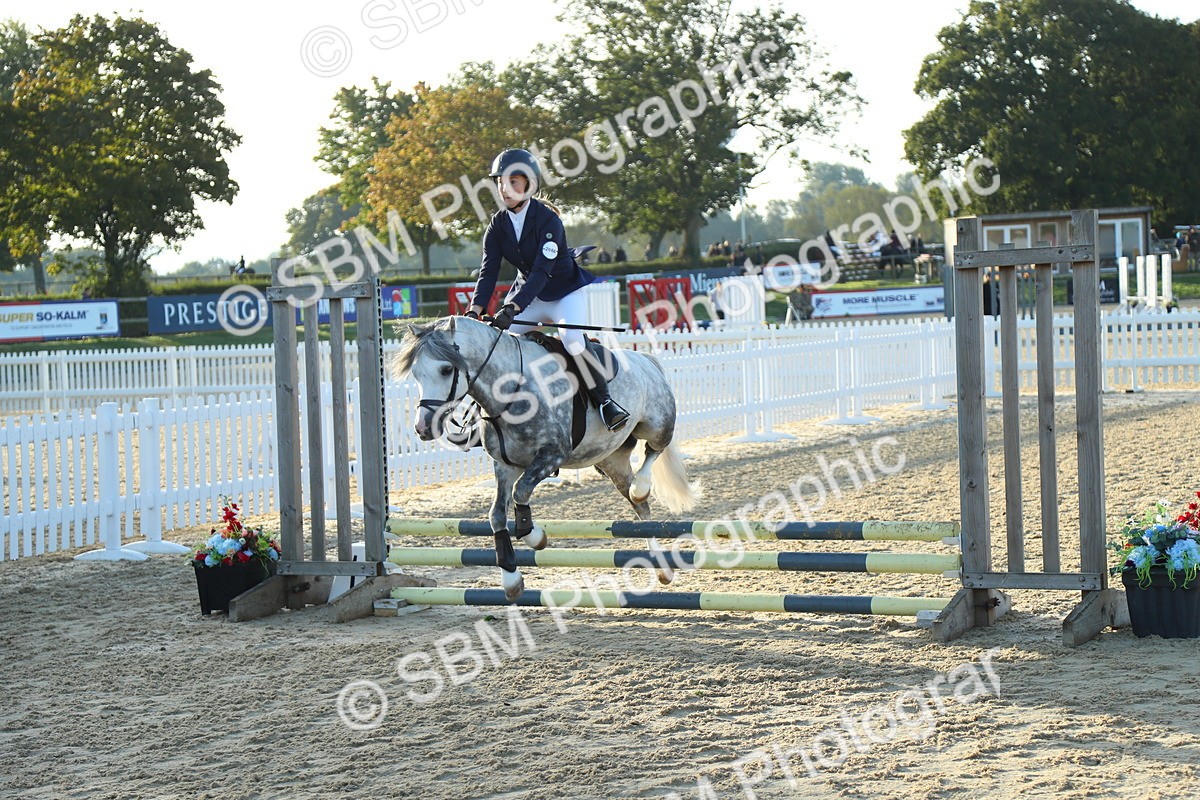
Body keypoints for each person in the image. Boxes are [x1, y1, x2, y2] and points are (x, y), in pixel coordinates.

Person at [468, 148, 629, 431]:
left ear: (530, 184)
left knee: (573, 342)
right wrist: (475, 310)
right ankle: (485, 411)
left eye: (513, 182)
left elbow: (542, 272)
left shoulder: (548, 220)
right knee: (499, 344)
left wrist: (513, 307)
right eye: (501, 182)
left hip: (563, 293)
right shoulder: (497, 224)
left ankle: (605, 402)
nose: (505, 189)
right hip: (529, 294)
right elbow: (488, 271)